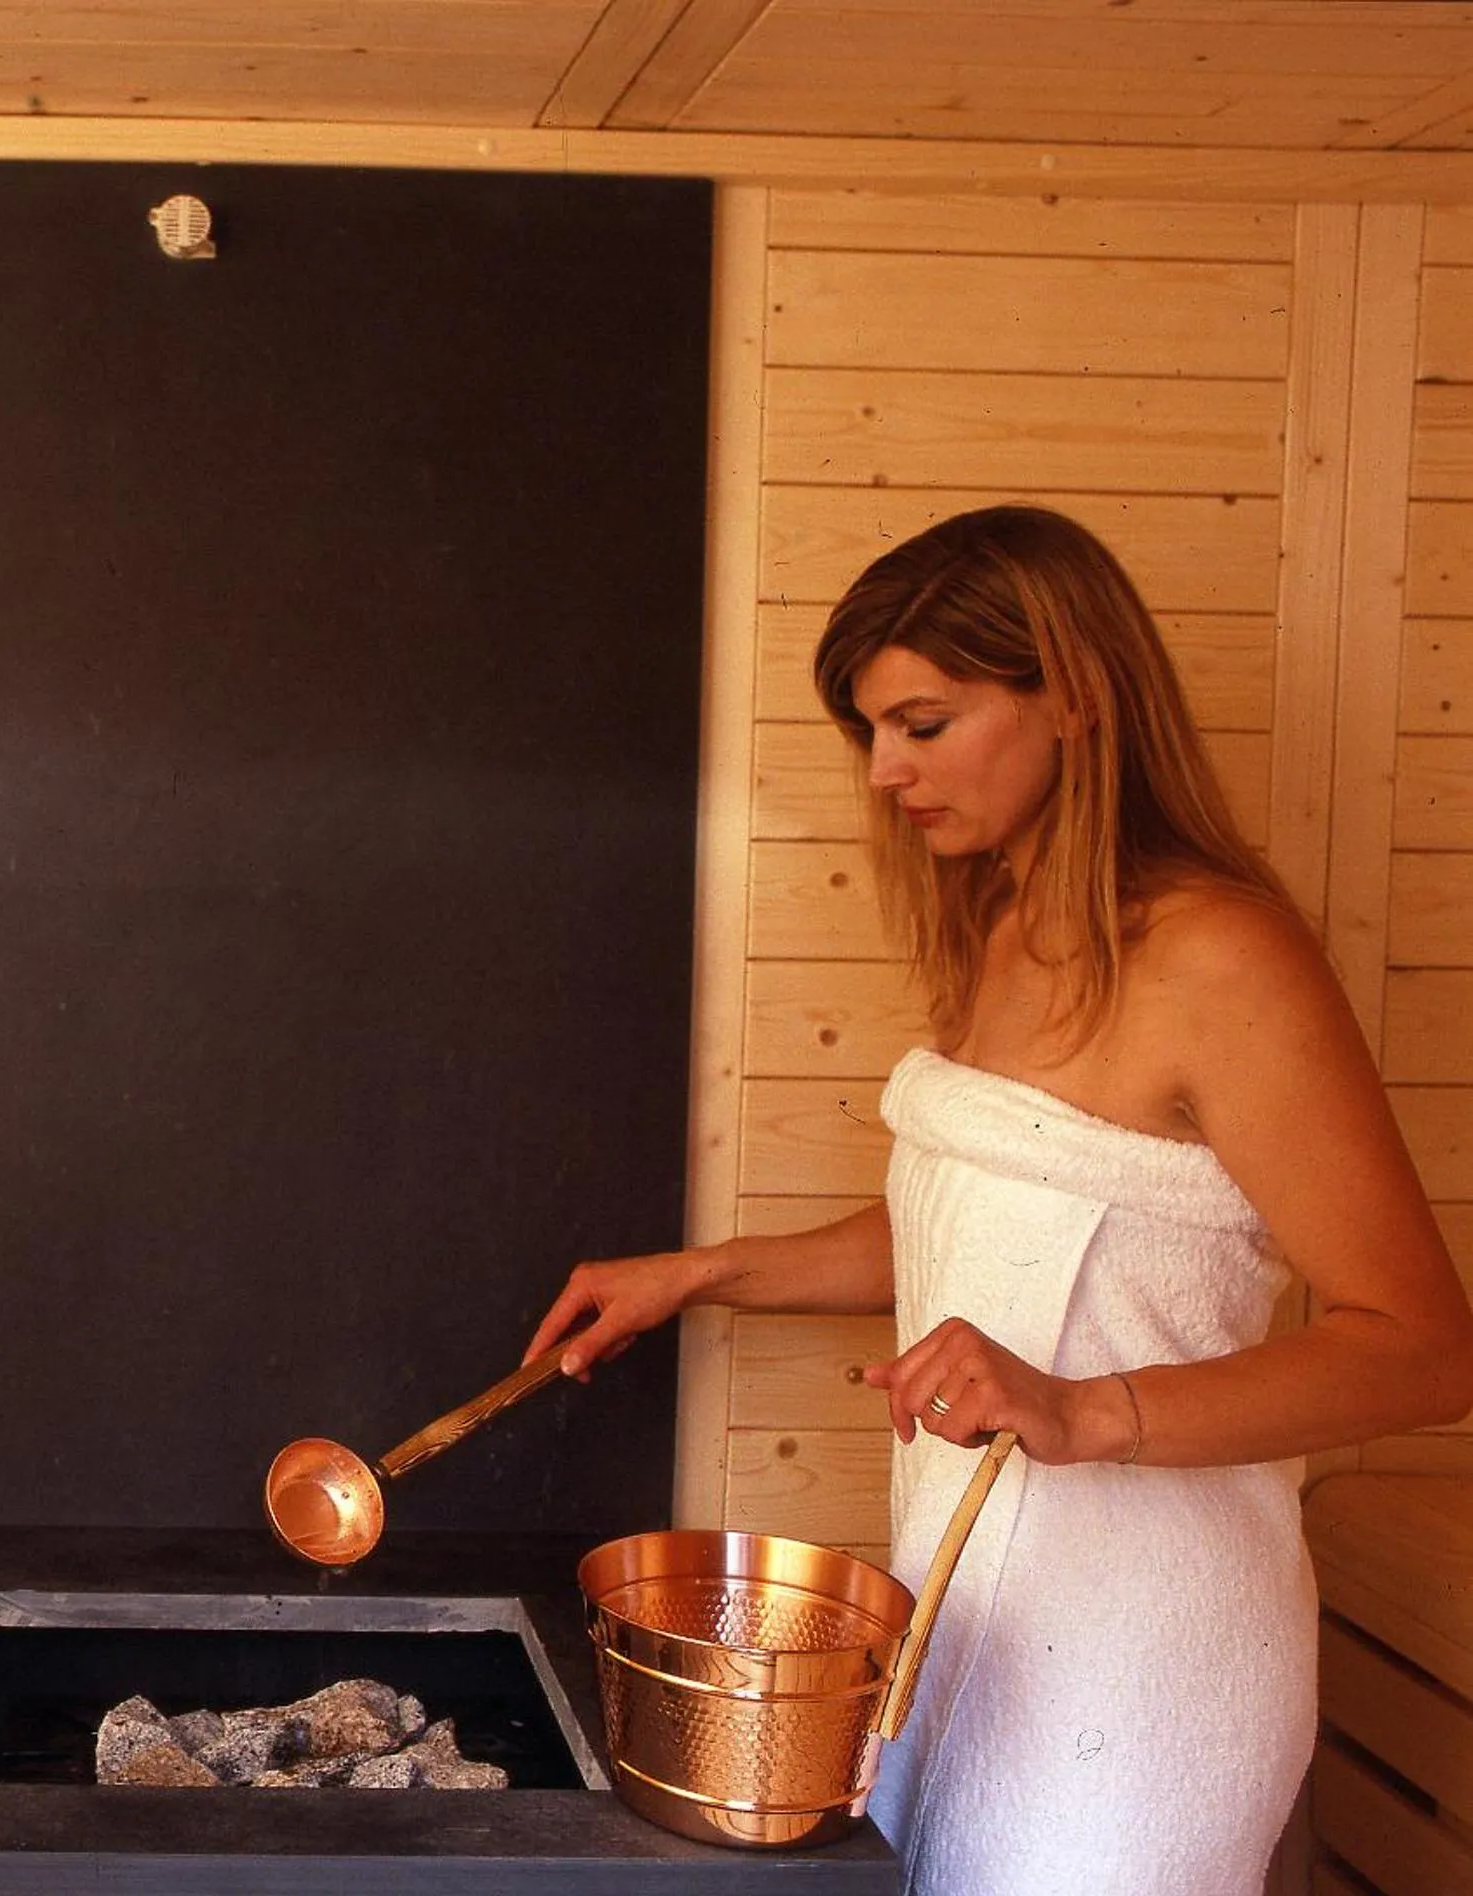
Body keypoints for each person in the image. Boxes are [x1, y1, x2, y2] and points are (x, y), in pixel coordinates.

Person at [526, 504, 1473, 1895]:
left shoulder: (1224, 960)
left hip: (1143, 1657)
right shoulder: (1006, 925)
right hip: (968, 1610)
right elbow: (970, 1231)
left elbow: (1425, 1345)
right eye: (871, 735)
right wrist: (698, 1272)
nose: (887, 771)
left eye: (924, 721)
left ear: (1075, 696)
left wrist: (1087, 1409)